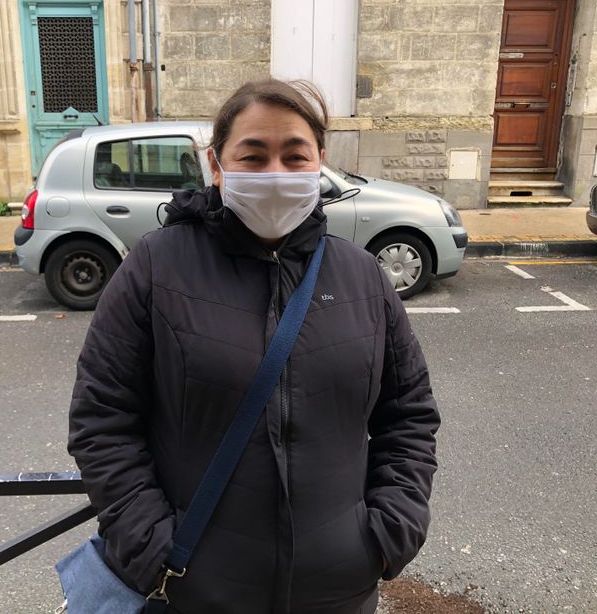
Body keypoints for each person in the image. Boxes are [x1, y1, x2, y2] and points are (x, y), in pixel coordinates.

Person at [68, 78, 440, 614]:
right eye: (254, 155)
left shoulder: (362, 276)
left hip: (338, 590)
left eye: (295, 156)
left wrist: (388, 535)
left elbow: (408, 415)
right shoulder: (155, 268)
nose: (275, 173)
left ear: (319, 162)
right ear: (217, 165)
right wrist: (151, 546)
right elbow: (102, 419)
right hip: (195, 591)